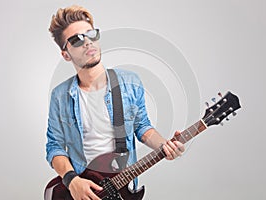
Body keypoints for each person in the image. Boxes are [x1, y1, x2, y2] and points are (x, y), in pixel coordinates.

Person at [45, 5, 185, 200]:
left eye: (91, 34)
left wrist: (165, 145)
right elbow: (55, 146)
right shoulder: (60, 96)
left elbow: (142, 127)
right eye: (76, 40)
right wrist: (72, 181)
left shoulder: (130, 82)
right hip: (84, 188)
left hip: (121, 186)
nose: (87, 43)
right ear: (65, 54)